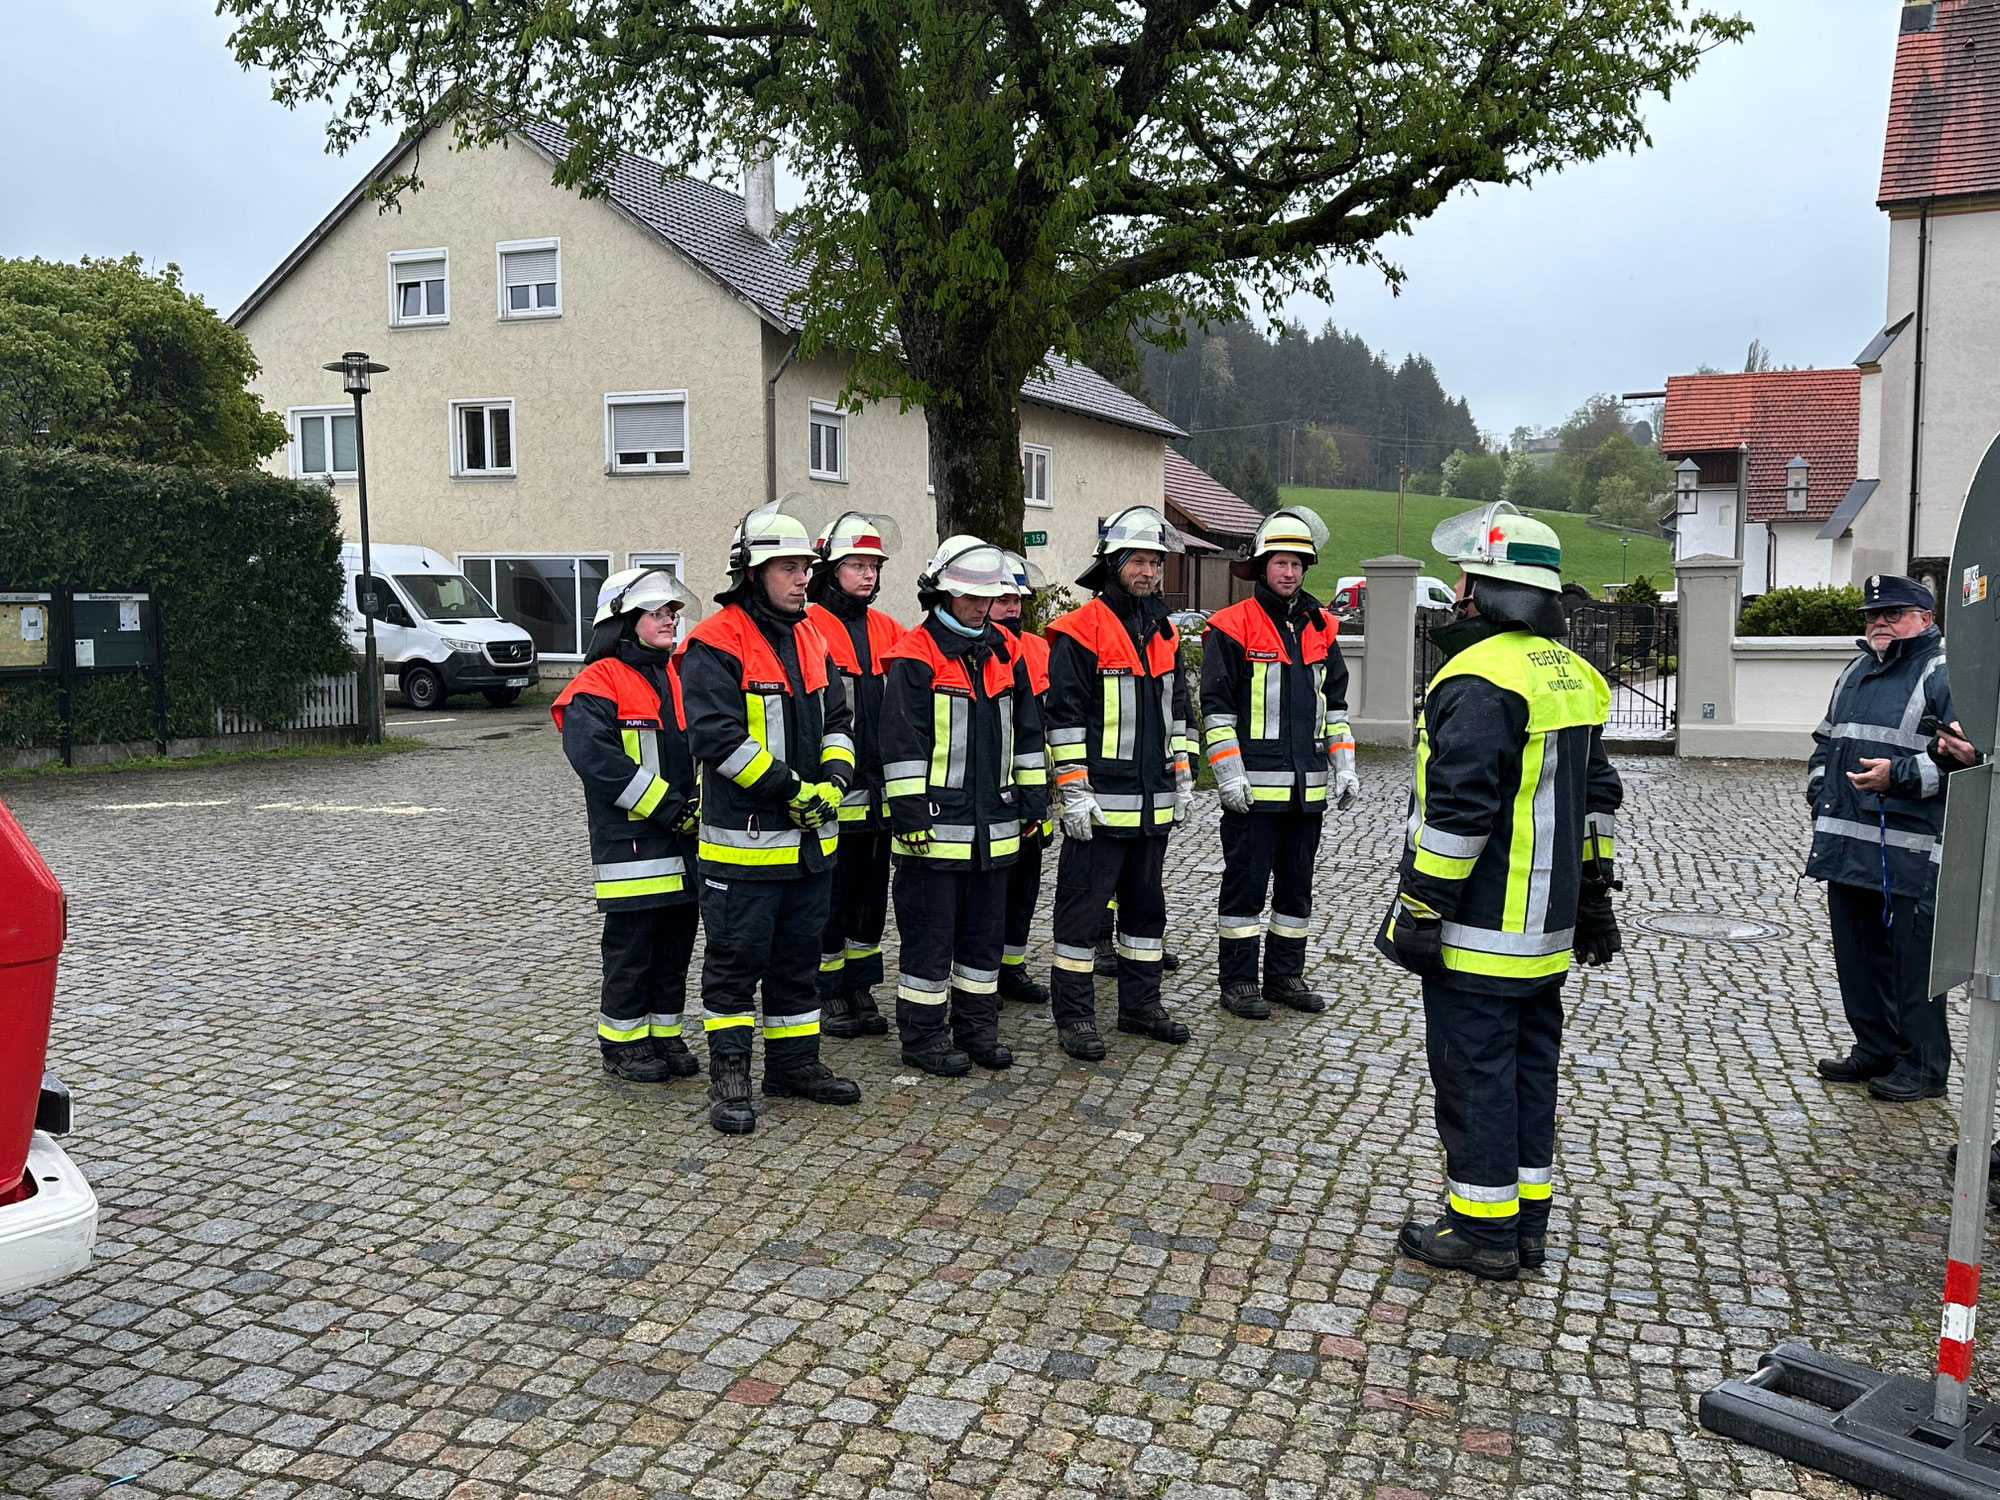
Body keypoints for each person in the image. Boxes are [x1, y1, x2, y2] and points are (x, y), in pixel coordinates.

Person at [1378, 502, 1621, 1281]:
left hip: (1479, 931)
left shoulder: (1478, 677)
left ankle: (1482, 1234)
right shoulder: (1574, 676)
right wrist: (1594, 898)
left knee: (1474, 1076)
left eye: (1466, 578)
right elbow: (1598, 800)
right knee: (1528, 1074)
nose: (1455, 590)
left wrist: (1419, 906)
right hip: (1545, 933)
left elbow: (1458, 813)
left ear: (1488, 591)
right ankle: (1527, 1224)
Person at [676, 500, 863, 1133]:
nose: (801, 578)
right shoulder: (712, 642)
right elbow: (715, 737)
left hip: (811, 844)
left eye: (804, 567)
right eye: (785, 568)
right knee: (734, 966)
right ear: (751, 573)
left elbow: (839, 719)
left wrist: (835, 779)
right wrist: (792, 791)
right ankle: (730, 1076)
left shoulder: (812, 633)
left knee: (797, 964)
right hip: (745, 848)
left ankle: (793, 1066)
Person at [878, 538, 1047, 1073]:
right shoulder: (914, 654)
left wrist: (1034, 802)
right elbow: (901, 744)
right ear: (943, 593)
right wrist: (907, 820)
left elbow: (1026, 734)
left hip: (994, 826)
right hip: (932, 828)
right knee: (929, 942)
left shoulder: (1005, 651)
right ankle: (923, 1039)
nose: (980, 605)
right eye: (969, 596)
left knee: (982, 940)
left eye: (988, 596)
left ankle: (977, 1031)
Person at [1808, 574, 1978, 1103]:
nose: (1879, 621)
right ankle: (1875, 1049)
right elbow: (1826, 741)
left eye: (1894, 612)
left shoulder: (1944, 674)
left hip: (1911, 852)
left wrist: (1899, 776)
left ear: (1926, 619)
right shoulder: (1856, 670)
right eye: (1873, 614)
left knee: (1911, 969)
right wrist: (1818, 788)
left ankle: (1923, 1067)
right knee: (1858, 962)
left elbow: (1967, 758)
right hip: (1845, 847)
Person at [1045, 506, 1195, 1061]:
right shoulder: (1078, 632)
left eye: (1156, 561)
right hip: (1101, 805)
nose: (1149, 570)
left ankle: (1140, 1005)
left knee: (1145, 913)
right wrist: (1075, 792)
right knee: (1082, 916)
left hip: (1153, 802)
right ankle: (1076, 1016)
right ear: (1112, 563)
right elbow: (1062, 717)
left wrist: (1182, 778)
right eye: (1139, 559)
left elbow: (1178, 711)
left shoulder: (1164, 632)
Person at [1201, 507, 1358, 1020]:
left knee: (1296, 886)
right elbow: (1217, 711)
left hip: (1306, 792)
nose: (1289, 573)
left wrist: (1345, 765)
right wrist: (1227, 773)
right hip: (1252, 794)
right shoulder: (1232, 626)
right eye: (1280, 563)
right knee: (1245, 885)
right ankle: (1240, 981)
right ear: (1262, 566)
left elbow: (1334, 708)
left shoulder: (1321, 627)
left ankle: (1286, 975)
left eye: (1297, 564)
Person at [552, 568, 705, 1082]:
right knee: (632, 947)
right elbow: (598, 761)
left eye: (671, 612)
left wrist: (698, 804)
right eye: (657, 613)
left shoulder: (677, 675)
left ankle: (665, 1034)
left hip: (684, 840)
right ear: (623, 620)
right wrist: (671, 807)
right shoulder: (595, 683)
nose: (669, 621)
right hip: (633, 843)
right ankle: (622, 1044)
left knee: (675, 945)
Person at [804, 511, 904, 1040]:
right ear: (831, 569)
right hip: (832, 792)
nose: (868, 575)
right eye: (857, 565)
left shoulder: (890, 629)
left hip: (882, 794)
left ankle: (862, 984)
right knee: (830, 898)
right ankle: (828, 993)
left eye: (874, 566)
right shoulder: (807, 625)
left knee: (870, 899)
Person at [992, 551, 1053, 1007]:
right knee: (986, 894)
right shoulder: (974, 648)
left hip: (1034, 794)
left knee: (1024, 889)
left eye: (1018, 599)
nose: (1013, 607)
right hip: (989, 795)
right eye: (1003, 599)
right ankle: (980, 971)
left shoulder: (1038, 647)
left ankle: (1012, 967)